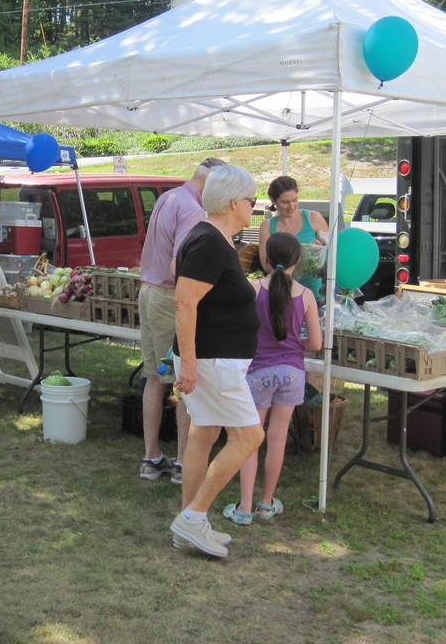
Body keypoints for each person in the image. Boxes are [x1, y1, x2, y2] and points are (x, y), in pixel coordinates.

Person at [169, 164, 265, 558]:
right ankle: (193, 518)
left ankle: (189, 521)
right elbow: (184, 301)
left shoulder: (214, 238)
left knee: (203, 434)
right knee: (249, 437)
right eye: (252, 201)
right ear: (232, 203)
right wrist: (189, 364)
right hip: (213, 361)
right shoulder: (208, 240)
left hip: (214, 359)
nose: (255, 207)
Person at [223, 232, 322, 527]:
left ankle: (244, 507)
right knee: (277, 439)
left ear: (265, 259)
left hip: (258, 373)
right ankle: (266, 505)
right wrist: (294, 344)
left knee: (251, 439)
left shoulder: (253, 289)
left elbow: (237, 328)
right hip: (292, 372)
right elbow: (316, 343)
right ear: (298, 261)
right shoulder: (306, 295)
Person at [136, 157, 225, 485]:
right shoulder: (192, 210)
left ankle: (151, 457)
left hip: (148, 292)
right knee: (183, 380)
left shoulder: (169, 196)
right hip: (169, 298)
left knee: (154, 377)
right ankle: (183, 463)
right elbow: (181, 267)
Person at [258, 175, 329, 300]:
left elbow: (330, 254)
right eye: (285, 202)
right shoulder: (267, 226)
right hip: (281, 296)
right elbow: (267, 266)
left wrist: (319, 250)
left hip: (313, 295)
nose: (292, 206)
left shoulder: (314, 218)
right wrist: (305, 252)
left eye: (295, 200)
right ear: (273, 201)